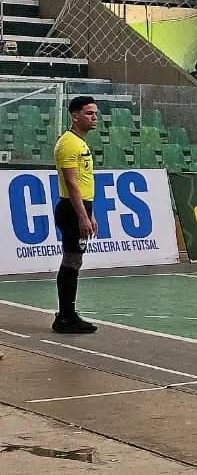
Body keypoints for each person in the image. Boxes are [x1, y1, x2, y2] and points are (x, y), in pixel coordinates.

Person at [51, 96, 101, 334]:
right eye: (89, 113)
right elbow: (72, 183)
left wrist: (89, 214)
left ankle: (67, 314)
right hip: (72, 208)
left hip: (80, 208)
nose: (94, 118)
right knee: (71, 260)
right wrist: (82, 215)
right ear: (75, 115)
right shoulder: (69, 143)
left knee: (74, 260)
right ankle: (66, 316)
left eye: (95, 114)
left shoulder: (80, 143)